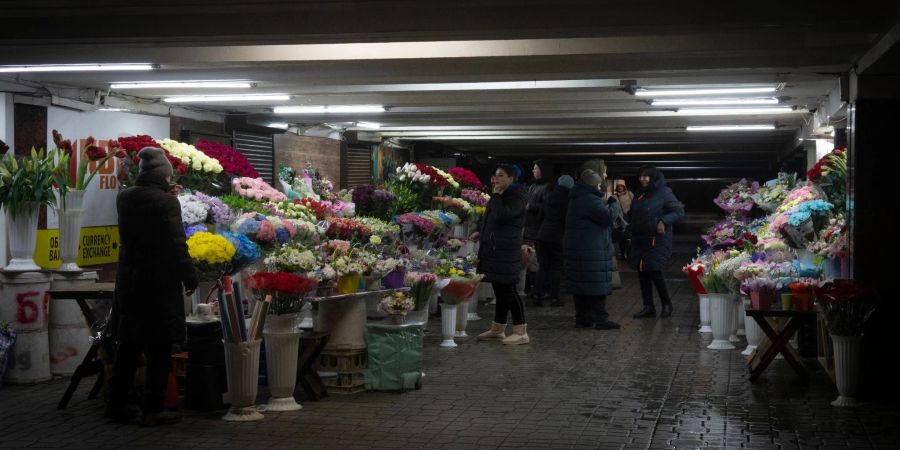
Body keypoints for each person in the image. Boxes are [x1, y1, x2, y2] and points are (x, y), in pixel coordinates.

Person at [105, 147, 199, 426]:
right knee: (160, 345)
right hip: (159, 281)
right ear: (163, 175)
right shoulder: (167, 203)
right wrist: (190, 277)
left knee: (129, 345)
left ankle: (117, 404)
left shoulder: (124, 198)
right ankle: (153, 408)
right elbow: (177, 244)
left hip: (130, 280)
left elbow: (144, 217)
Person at [471, 164, 530, 345]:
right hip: (496, 250)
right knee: (500, 289)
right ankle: (498, 328)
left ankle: (521, 331)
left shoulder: (516, 196)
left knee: (509, 291)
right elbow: (492, 219)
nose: (497, 179)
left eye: (501, 176)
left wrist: (495, 196)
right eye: (496, 175)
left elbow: (503, 216)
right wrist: (480, 231)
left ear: (511, 179)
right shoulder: (501, 195)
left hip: (505, 250)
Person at [564, 164, 621, 330]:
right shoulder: (589, 199)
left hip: (579, 249)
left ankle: (582, 319)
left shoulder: (576, 198)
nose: (599, 187)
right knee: (596, 284)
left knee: (581, 285)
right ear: (591, 185)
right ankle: (601, 319)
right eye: (597, 185)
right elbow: (607, 216)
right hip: (591, 250)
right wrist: (614, 203)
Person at [629, 165, 685, 319]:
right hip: (640, 239)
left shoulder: (664, 192)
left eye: (646, 176)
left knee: (654, 272)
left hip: (656, 240)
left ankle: (667, 304)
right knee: (642, 272)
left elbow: (678, 211)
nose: (642, 179)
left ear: (653, 177)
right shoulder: (640, 193)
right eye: (640, 176)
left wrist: (663, 221)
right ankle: (648, 307)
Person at [534, 174, 574, 307]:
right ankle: (554, 297)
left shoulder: (548, 196)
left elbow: (539, 217)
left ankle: (537, 294)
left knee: (543, 265)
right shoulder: (570, 200)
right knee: (556, 268)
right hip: (559, 237)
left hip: (543, 235)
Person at [523, 160, 555, 299]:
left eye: (536, 168)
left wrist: (531, 207)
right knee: (528, 260)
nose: (533, 171)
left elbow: (548, 208)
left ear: (543, 170)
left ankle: (541, 288)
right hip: (529, 229)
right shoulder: (532, 186)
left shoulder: (549, 187)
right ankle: (533, 288)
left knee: (539, 261)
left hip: (539, 230)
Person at [613, 180, 634, 260]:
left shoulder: (630, 194)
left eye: (621, 186)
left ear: (624, 186)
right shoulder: (614, 197)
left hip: (629, 218)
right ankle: (622, 254)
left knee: (629, 237)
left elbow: (635, 204)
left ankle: (629, 254)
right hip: (620, 220)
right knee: (621, 237)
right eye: (618, 186)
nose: (620, 187)